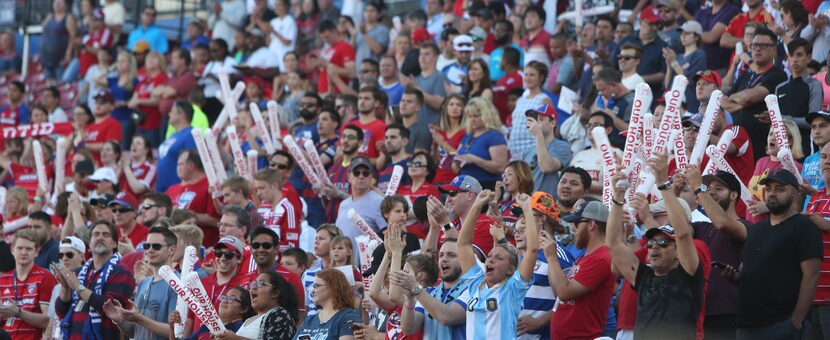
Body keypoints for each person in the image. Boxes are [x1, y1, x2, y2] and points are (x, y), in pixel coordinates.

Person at [606, 152, 705, 339]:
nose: (654, 247)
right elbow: (613, 244)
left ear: (678, 252)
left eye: (663, 242)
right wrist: (618, 197)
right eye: (651, 243)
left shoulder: (689, 275)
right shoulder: (643, 277)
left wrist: (663, 184)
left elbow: (683, 234)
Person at [723, 169, 822, 338]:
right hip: (747, 323)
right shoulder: (757, 229)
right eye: (768, 189)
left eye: (780, 189)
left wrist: (796, 320)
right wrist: (734, 276)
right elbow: (746, 268)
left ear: (795, 193)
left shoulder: (804, 227)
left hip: (782, 325)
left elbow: (811, 275)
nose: (772, 193)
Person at [684, 168, 750, 338]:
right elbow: (677, 230)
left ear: (734, 195)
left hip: (728, 312)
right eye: (709, 188)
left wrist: (699, 187)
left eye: (719, 189)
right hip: (699, 311)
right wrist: (674, 193)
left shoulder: (746, 226)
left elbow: (722, 223)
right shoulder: (702, 228)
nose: (712, 192)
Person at [53, 221, 136, 340]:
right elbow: (61, 312)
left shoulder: (122, 272)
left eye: (105, 235)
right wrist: (65, 287)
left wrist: (78, 287)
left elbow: (109, 306)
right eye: (96, 234)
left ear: (114, 244)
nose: (100, 237)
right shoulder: (79, 272)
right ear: (90, 243)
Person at [548, 201, 615, 339]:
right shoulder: (585, 257)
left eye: (577, 223)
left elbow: (563, 292)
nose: (572, 228)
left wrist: (551, 258)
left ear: (591, 224)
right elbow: (558, 293)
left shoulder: (601, 258)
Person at [721, 27, 788, 159]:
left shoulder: (777, 75)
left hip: (760, 145)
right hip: (737, 143)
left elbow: (747, 98)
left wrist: (736, 100)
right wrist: (739, 103)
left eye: (764, 45)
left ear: (774, 48)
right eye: (755, 45)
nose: (758, 49)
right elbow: (723, 99)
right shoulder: (746, 75)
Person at [102, 227, 178, 340]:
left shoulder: (177, 283)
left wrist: (140, 319)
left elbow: (176, 332)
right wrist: (119, 320)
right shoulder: (144, 282)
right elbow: (134, 332)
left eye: (156, 246)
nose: (150, 250)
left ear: (171, 250)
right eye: (147, 246)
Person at [0, 229, 57, 339]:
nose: (23, 252)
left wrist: (18, 312)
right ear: (12, 250)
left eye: (29, 249)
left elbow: (49, 320)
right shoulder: (2, 280)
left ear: (36, 252)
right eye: (20, 248)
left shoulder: (45, 277)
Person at [217, 272, 298, 340]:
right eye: (253, 284)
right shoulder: (248, 320)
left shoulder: (280, 314)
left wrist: (235, 339)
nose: (253, 287)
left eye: (261, 283)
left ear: (275, 293)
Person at [775, 38, 823, 152]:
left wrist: (783, 119)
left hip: (805, 145)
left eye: (799, 55)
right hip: (782, 147)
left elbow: (812, 120)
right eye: (791, 55)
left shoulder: (814, 85)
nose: (795, 59)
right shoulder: (780, 87)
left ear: (809, 58)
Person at [164, 150, 220, 246]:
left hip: (202, 246)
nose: (178, 168)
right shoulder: (171, 189)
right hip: (173, 245)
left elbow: (217, 220)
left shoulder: (210, 186)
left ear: (191, 166)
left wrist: (187, 215)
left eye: (180, 164)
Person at [454, 98, 508, 190]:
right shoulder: (468, 136)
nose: (472, 120)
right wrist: (456, 163)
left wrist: (475, 160)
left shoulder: (494, 136)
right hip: (464, 186)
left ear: (486, 115)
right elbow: (456, 165)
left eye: (476, 116)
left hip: (486, 187)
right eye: (470, 116)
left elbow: (500, 167)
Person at [335, 156, 387, 248]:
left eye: (366, 173)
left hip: (367, 260)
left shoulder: (379, 201)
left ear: (371, 176)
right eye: (356, 173)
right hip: (345, 260)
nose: (361, 176)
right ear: (348, 176)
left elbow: (387, 234)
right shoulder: (343, 204)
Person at [244, 227, 305, 306]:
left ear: (276, 249)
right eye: (256, 246)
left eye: (266, 246)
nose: (261, 249)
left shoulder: (290, 278)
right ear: (251, 249)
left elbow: (300, 313)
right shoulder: (245, 279)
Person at [294, 269, 361, 339]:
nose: (313, 291)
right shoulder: (309, 320)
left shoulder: (348, 317)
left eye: (316, 286)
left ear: (333, 287)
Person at [169, 286, 253, 340]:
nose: (225, 301)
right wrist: (172, 328)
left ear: (244, 309)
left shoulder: (242, 329)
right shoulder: (208, 325)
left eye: (231, 298)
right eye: (224, 297)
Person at [571, 113, 623, 200]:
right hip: (575, 207)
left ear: (608, 130)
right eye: (589, 125)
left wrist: (585, 188)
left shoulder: (616, 154)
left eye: (596, 125)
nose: (591, 128)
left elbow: (619, 186)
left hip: (603, 208)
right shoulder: (579, 155)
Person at [525, 104, 572, 194]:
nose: (536, 123)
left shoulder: (563, 146)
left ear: (553, 123)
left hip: (548, 204)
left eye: (540, 119)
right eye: (534, 119)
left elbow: (546, 167)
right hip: (528, 203)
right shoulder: (527, 151)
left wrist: (538, 135)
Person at [509, 61, 552, 159]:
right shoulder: (520, 100)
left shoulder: (544, 99)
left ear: (541, 78)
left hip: (532, 151)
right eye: (526, 74)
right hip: (514, 151)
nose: (527, 78)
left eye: (532, 75)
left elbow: (551, 128)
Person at [663, 20, 707, 112]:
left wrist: (674, 62)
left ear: (696, 37)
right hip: (672, 101)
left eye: (687, 33)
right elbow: (666, 85)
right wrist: (669, 66)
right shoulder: (678, 56)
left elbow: (688, 80)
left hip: (689, 104)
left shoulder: (699, 54)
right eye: (681, 33)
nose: (683, 36)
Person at [254, 169, 301, 251]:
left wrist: (266, 247)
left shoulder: (287, 208)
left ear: (275, 185)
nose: (258, 193)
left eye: (261, 188)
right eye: (257, 189)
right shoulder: (262, 207)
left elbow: (291, 245)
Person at [342, 86, 386, 161]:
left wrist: (357, 160)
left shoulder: (381, 126)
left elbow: (381, 161)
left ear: (376, 103)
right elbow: (338, 155)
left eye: (366, 98)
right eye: (360, 98)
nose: (362, 102)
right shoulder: (348, 125)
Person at [314, 20, 355, 96]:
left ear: (335, 31)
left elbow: (351, 72)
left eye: (327, 37)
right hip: (324, 91)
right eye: (322, 38)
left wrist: (327, 65)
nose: (325, 40)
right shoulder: (328, 49)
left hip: (337, 93)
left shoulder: (345, 47)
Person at [431, 94, 466, 184]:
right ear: (446, 108)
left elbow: (461, 157)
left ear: (463, 109)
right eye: (451, 104)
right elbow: (436, 159)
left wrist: (442, 143)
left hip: (455, 181)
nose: (455, 107)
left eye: (458, 105)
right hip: (437, 180)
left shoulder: (465, 133)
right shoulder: (440, 133)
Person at [412, 43, 448, 125]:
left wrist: (416, 89)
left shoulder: (440, 77)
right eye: (421, 54)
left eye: (427, 54)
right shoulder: (416, 79)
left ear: (436, 57)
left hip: (432, 129)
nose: (423, 57)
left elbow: (439, 104)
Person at [82, 92, 123, 164]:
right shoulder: (88, 126)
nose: (98, 105)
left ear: (112, 106)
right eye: (96, 102)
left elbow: (112, 147)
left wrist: (85, 145)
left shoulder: (113, 123)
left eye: (102, 102)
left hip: (102, 168)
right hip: (86, 167)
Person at [377, 124, 412, 192]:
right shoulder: (386, 167)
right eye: (386, 138)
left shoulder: (411, 165)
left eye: (393, 137)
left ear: (405, 141)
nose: (388, 141)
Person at [397, 88, 433, 154]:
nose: (404, 104)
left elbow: (419, 161)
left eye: (409, 102)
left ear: (418, 107)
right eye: (402, 100)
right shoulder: (396, 129)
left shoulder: (422, 131)